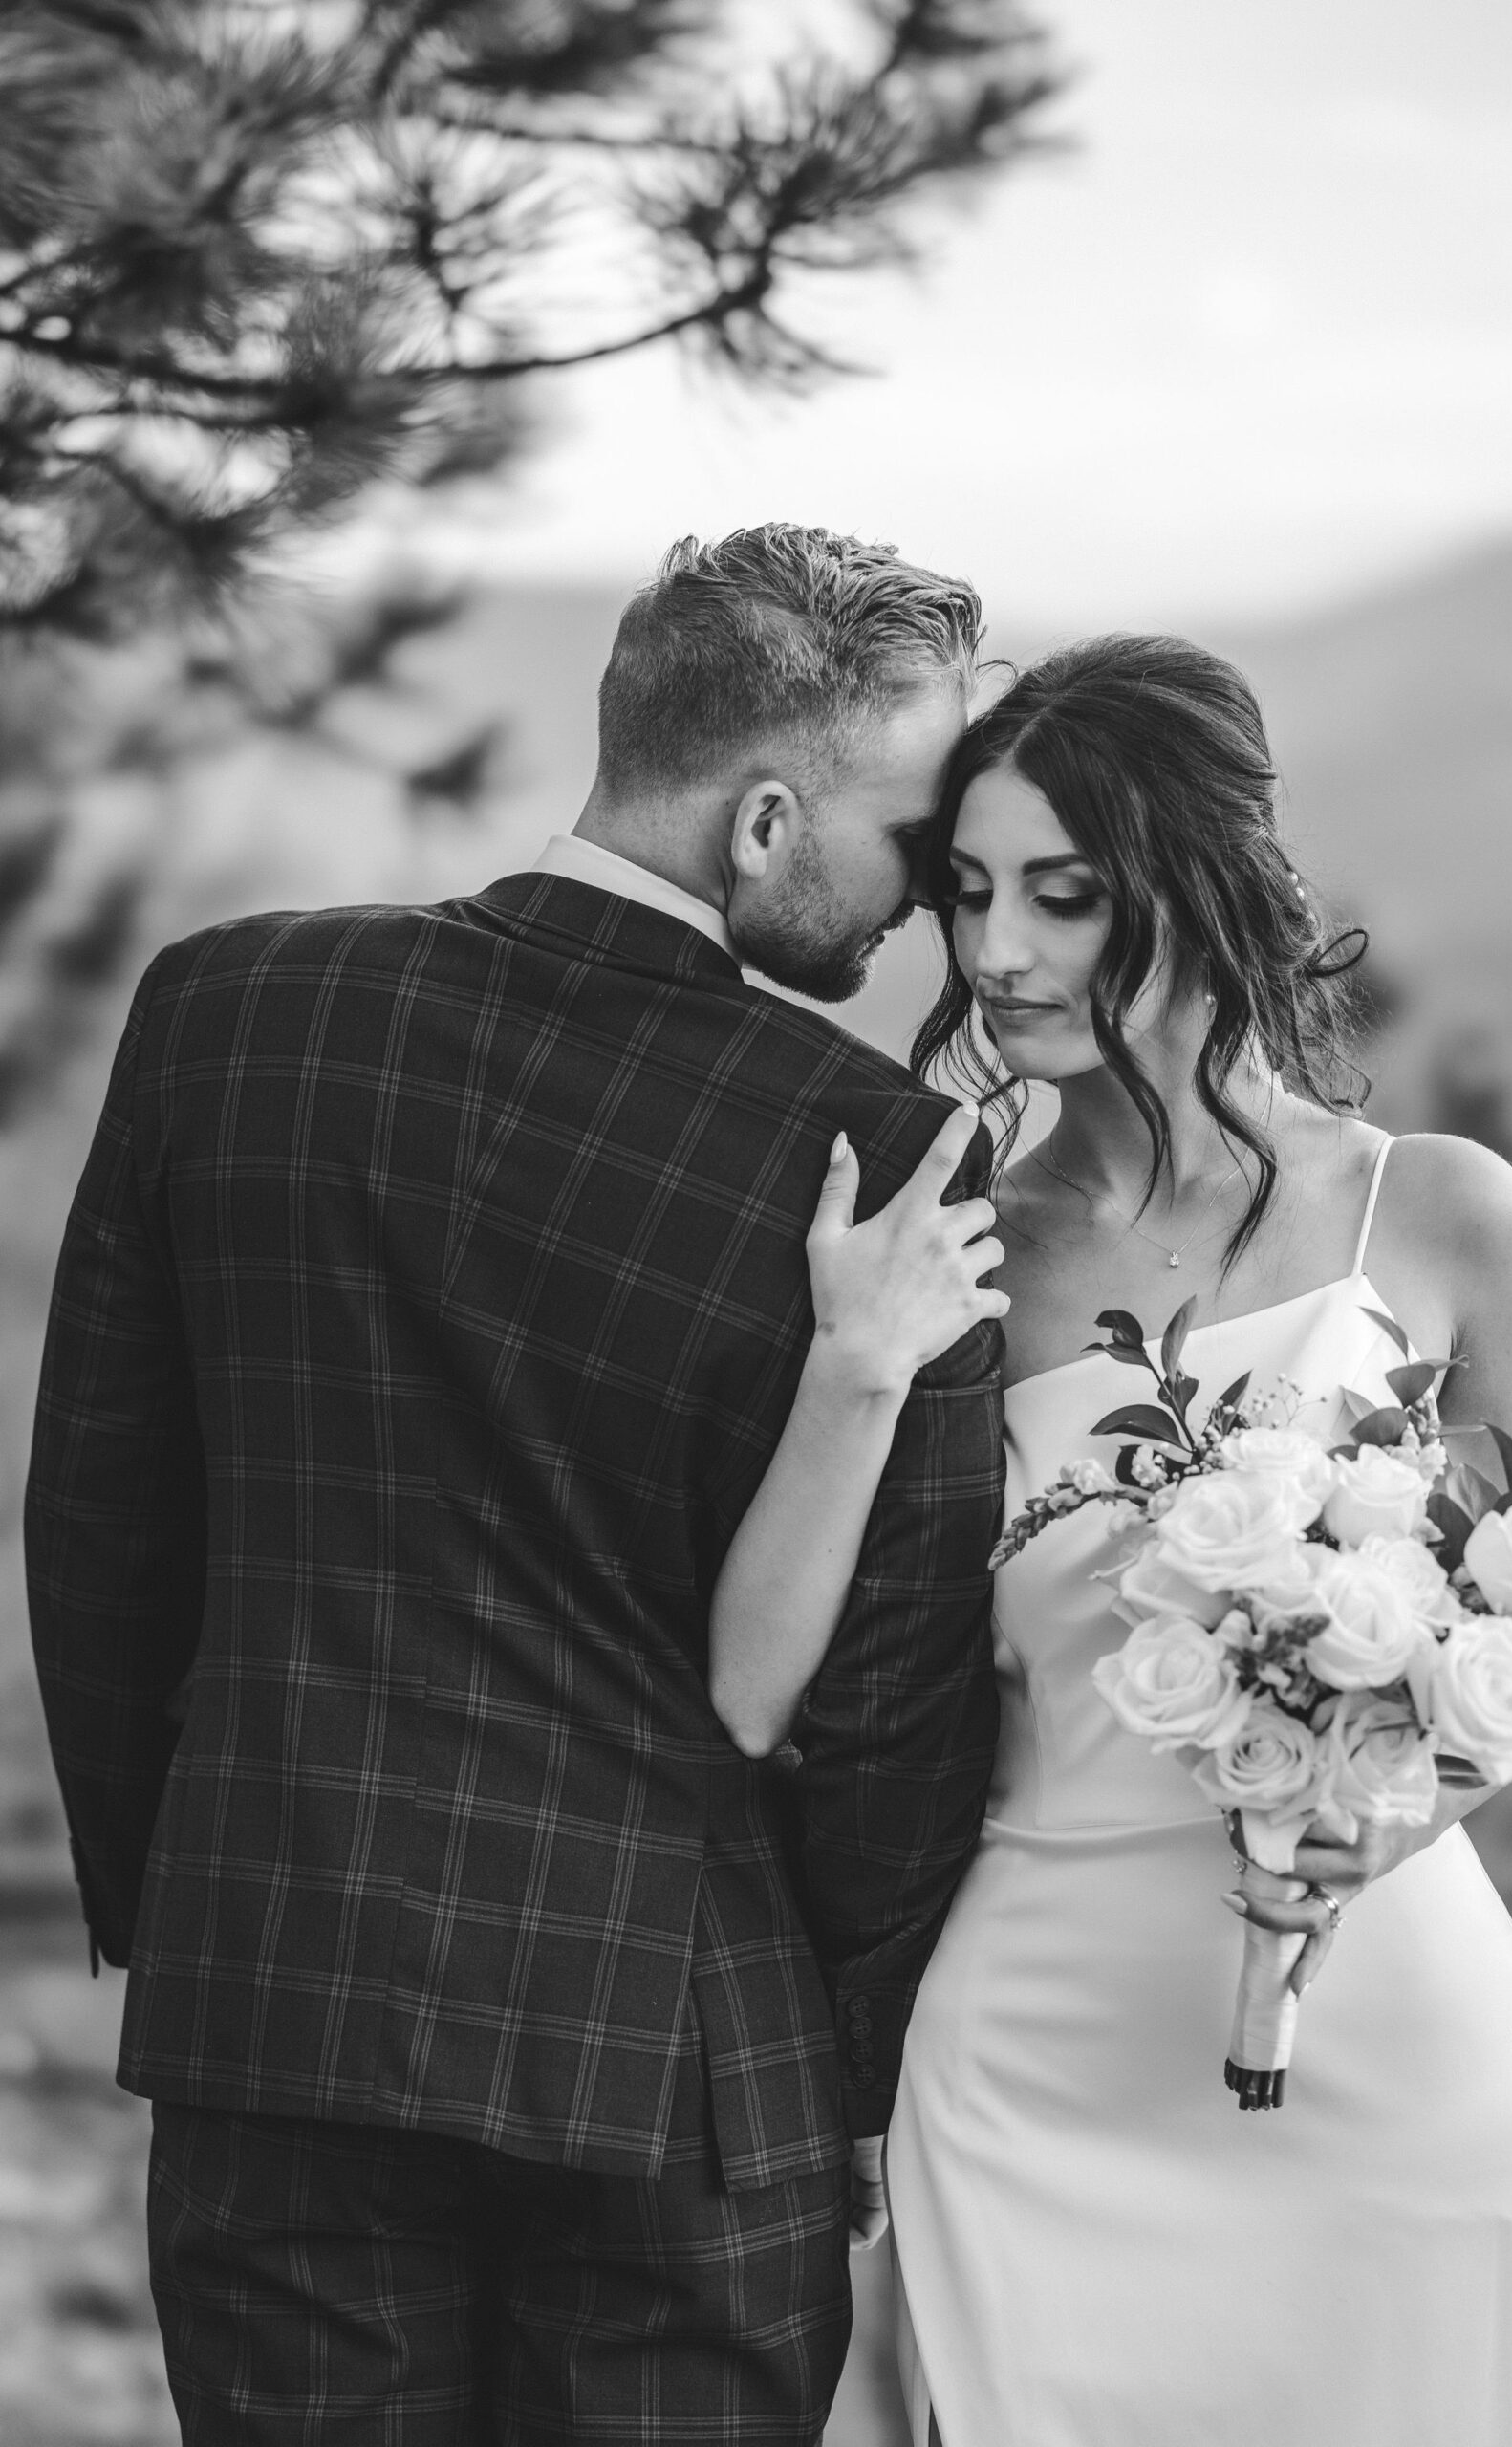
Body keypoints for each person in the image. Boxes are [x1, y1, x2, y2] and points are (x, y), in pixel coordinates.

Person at [24, 525, 1011, 2446]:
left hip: (278, 1995)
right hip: (677, 2060)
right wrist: (854, 2077)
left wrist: (191, 1903)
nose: (925, 909)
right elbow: (893, 1700)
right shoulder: (879, 1159)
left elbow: (103, 1520)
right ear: (759, 821)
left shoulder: (224, 1012)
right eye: (906, 839)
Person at [709, 634, 1512, 2447]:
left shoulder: (1441, 1211)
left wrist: (1364, 1818)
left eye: (1064, 894)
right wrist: (854, 1372)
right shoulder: (946, 1240)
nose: (997, 952)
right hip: (1036, 2059)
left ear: (1205, 888)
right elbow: (750, 1687)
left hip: (1385, 2048)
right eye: (967, 893)